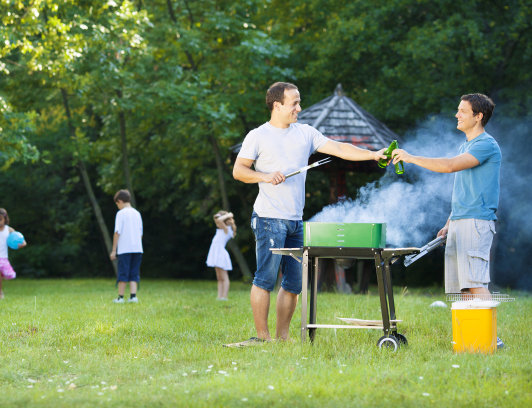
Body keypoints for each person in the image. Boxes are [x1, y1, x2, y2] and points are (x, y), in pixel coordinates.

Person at [232, 82, 386, 343]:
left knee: (294, 284)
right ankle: (262, 337)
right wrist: (266, 176)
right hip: (269, 218)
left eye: (299, 102)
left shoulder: (305, 133)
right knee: (265, 278)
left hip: (295, 221)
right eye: (294, 103)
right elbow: (239, 171)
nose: (299, 108)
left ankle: (282, 337)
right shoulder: (258, 135)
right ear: (277, 105)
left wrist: (373, 154)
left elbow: (340, 149)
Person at [392, 94, 501, 293]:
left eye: (463, 111)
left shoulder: (486, 144)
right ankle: (469, 326)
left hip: (476, 222)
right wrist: (450, 222)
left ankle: (486, 326)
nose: (456, 114)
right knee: (463, 289)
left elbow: (450, 166)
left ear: (478, 116)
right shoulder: (465, 146)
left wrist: (410, 158)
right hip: (461, 220)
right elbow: (466, 190)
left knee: (475, 285)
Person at [110, 189, 143, 304]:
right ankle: (133, 297)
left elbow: (117, 232)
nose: (117, 206)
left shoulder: (120, 214)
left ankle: (120, 297)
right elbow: (141, 233)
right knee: (134, 273)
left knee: (123, 272)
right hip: (138, 248)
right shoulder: (137, 213)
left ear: (120, 201)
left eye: (117, 204)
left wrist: (114, 250)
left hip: (125, 249)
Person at [206, 211, 237, 300]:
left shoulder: (227, 229)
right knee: (219, 278)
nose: (217, 222)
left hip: (220, 255)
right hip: (216, 254)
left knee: (224, 277)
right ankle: (219, 296)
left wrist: (228, 215)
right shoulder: (221, 229)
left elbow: (219, 220)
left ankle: (225, 296)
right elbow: (218, 220)